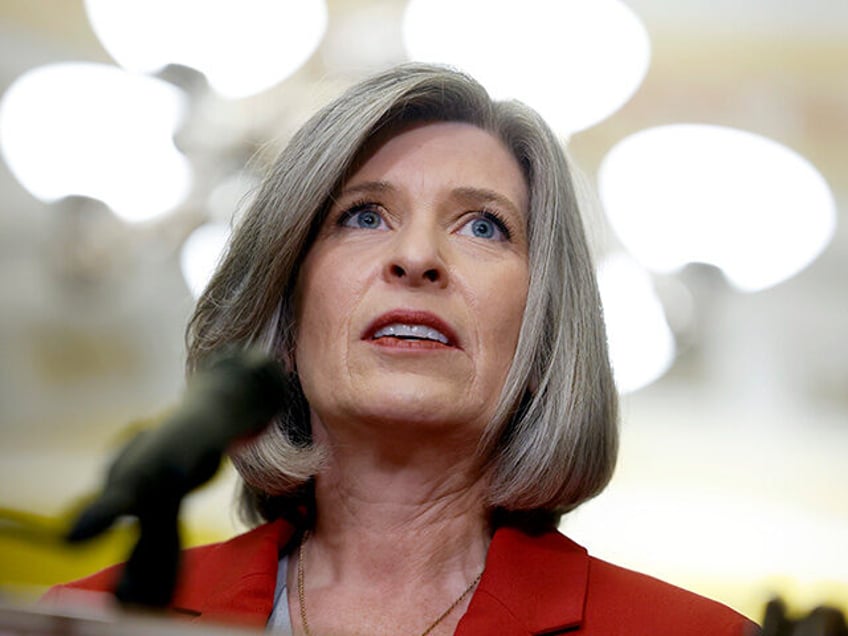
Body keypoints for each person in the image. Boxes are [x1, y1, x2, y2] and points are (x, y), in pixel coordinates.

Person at [46, 63, 759, 635]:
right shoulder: (88, 619)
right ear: (287, 325)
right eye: (363, 215)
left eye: (483, 227)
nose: (417, 257)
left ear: (543, 340)